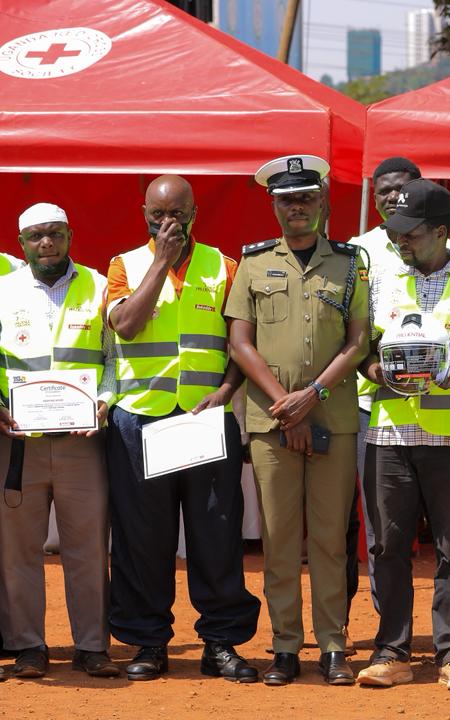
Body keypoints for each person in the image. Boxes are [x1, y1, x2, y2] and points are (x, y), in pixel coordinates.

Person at [346, 157, 450, 672]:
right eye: (394, 233)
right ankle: (391, 649)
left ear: (440, 231)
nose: (399, 242)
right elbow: (362, 350)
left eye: (409, 234)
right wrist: (377, 371)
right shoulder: (384, 282)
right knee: (388, 545)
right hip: (389, 431)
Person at [106, 175, 260, 682]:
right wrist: (160, 261)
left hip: (204, 418)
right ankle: (148, 642)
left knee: (215, 533)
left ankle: (220, 642)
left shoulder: (225, 265)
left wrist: (229, 387)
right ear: (143, 212)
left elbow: (242, 340)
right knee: (143, 539)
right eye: (157, 215)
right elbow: (127, 325)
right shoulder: (124, 265)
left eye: (178, 213)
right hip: (142, 418)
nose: (168, 223)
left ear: (195, 211)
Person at [226, 154, 368, 686]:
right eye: (288, 199)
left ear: (324, 199)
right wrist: (287, 404)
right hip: (271, 421)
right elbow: (240, 342)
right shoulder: (254, 264)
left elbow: (358, 342)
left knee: (331, 539)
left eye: (307, 196)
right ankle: (286, 645)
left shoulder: (351, 265)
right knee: (280, 539)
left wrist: (314, 394)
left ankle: (333, 645)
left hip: (332, 413)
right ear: (275, 205)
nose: (298, 207)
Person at [0, 203, 116, 678]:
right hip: (18, 443)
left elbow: (114, 358)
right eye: (35, 237)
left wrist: (106, 400)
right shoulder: (3, 290)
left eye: (54, 234)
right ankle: (27, 645)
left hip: (82, 442)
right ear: (22, 242)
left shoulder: (100, 286)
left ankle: (92, 645)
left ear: (69, 235)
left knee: (87, 548)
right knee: (18, 550)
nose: (46, 244)